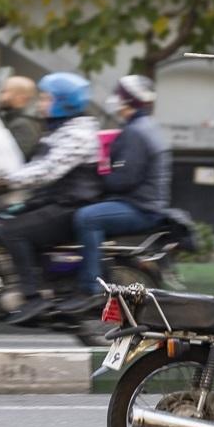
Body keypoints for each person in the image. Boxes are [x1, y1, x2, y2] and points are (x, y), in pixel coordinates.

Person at [0, 72, 102, 325]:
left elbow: (47, 170)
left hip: (70, 205)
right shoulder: (61, 130)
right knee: (6, 220)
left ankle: (33, 296)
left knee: (13, 231)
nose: (40, 103)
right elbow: (32, 165)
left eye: (47, 99)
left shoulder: (78, 135)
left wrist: (1, 181)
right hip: (56, 200)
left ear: (64, 103)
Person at [57, 75, 172, 313]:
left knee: (87, 217)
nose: (115, 100)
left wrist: (101, 176)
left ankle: (90, 287)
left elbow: (124, 179)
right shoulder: (146, 127)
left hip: (141, 207)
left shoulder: (136, 132)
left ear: (128, 100)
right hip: (146, 203)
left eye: (119, 95)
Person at [0, 75, 43, 160]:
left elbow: (12, 159)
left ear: (20, 98)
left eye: (3, 92)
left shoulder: (23, 125)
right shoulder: (9, 118)